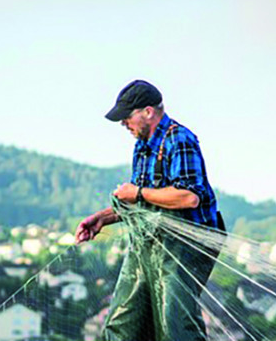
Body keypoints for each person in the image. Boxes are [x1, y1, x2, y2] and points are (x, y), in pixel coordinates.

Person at [75, 79, 221, 341]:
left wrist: (137, 192)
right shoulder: (142, 146)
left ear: (148, 111)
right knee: (122, 323)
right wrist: (103, 218)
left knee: (175, 327)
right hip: (148, 243)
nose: (123, 124)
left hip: (184, 247)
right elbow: (145, 204)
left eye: (127, 118)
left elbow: (189, 198)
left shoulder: (179, 139)